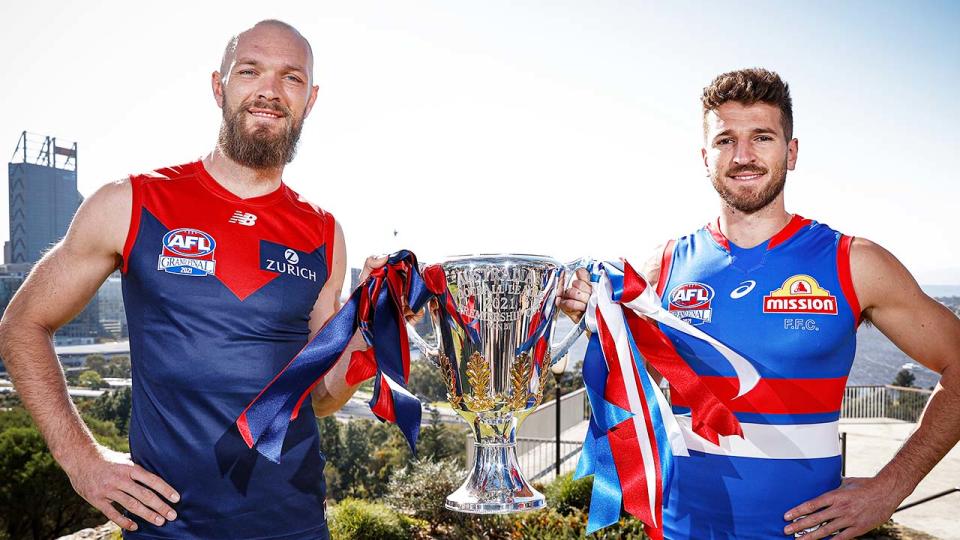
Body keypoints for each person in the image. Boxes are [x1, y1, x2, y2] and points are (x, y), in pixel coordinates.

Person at [0, 20, 379, 538]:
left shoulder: (323, 232)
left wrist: (370, 330)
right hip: (167, 527)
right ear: (219, 86)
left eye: (290, 78)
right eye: (250, 71)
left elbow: (319, 396)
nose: (269, 90)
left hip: (294, 523)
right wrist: (80, 459)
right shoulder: (130, 203)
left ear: (310, 99)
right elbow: (22, 323)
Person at [559, 68, 960, 539]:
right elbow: (630, 372)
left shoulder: (855, 263)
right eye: (725, 140)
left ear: (791, 153)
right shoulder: (660, 268)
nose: (743, 156)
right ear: (704, 156)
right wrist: (592, 317)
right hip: (676, 530)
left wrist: (890, 489)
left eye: (762, 137)